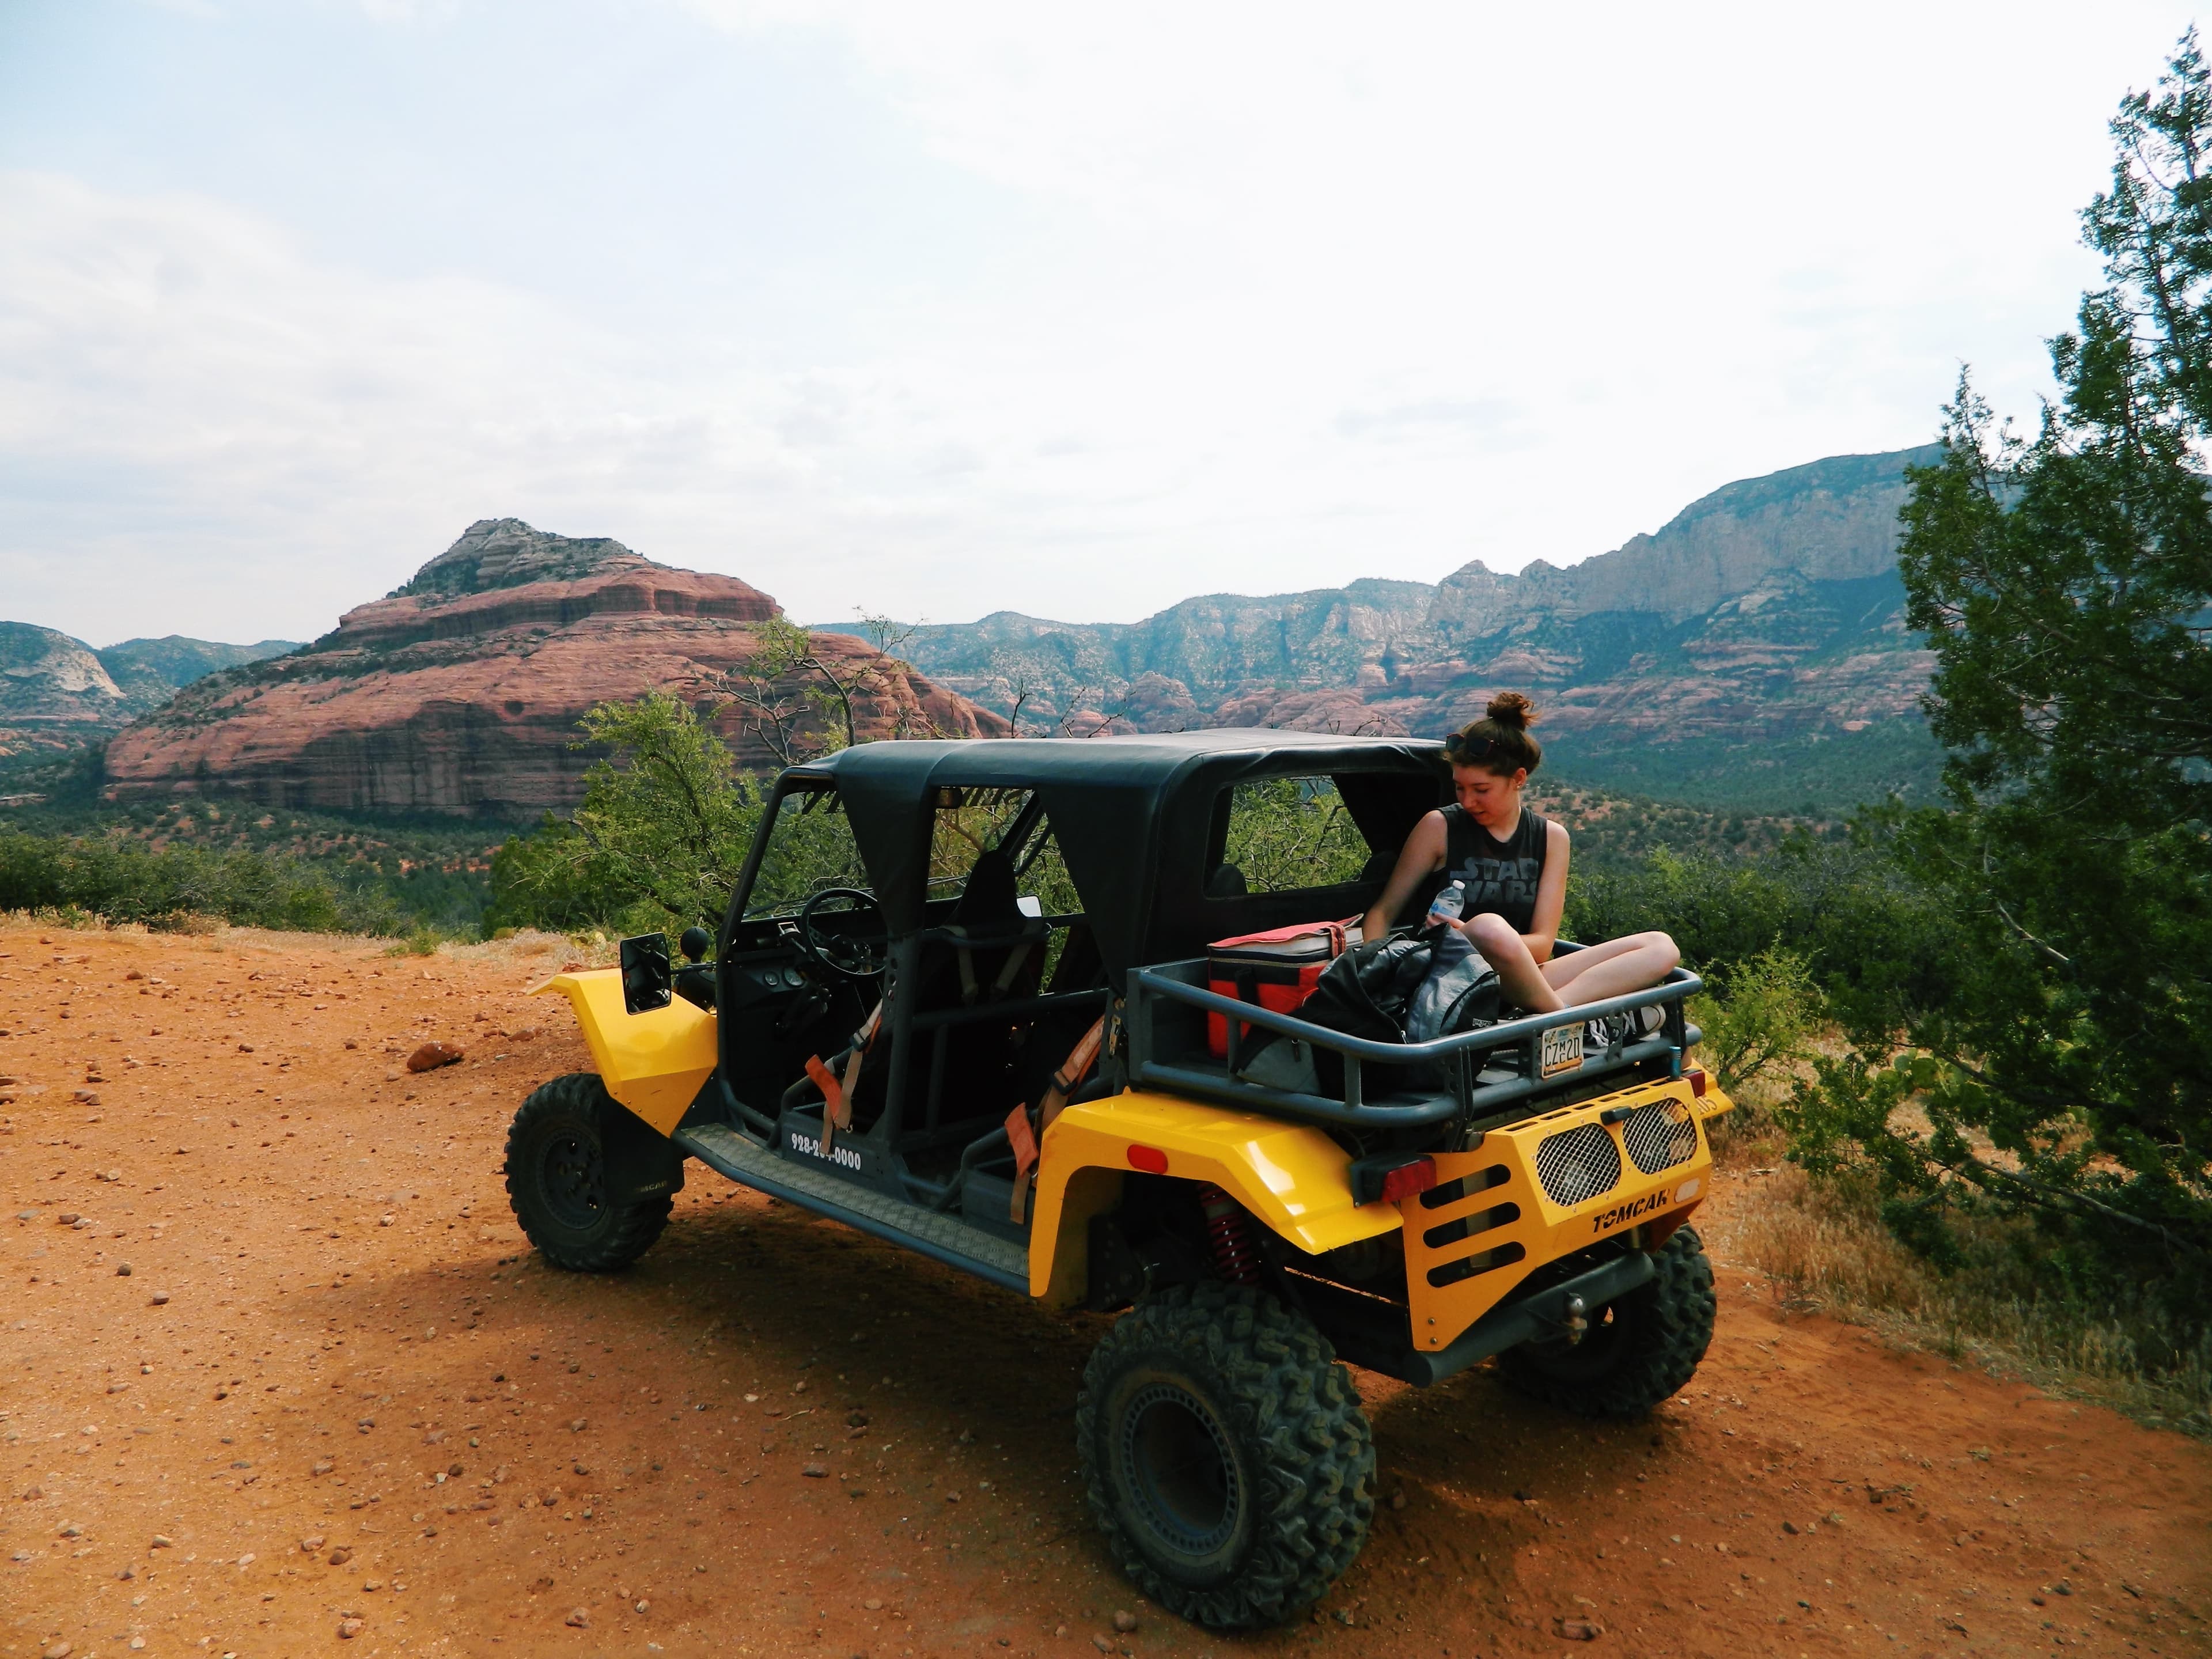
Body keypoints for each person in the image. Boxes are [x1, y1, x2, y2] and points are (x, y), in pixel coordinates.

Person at [1360, 691, 1678, 1016]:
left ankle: (1551, 1013)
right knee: (1488, 927)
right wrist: (1379, 978)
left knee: (1660, 946)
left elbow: (1543, 943)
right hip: (1449, 979)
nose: (1468, 801)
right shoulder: (1440, 826)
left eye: (1481, 790)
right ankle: (1564, 1021)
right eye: (1460, 787)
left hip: (1522, 978)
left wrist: (1500, 947)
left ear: (1518, 779)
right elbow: (1382, 913)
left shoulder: (1551, 838)